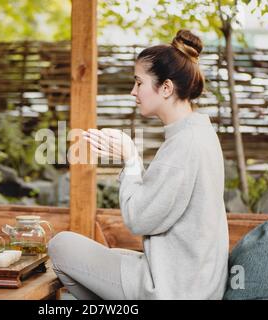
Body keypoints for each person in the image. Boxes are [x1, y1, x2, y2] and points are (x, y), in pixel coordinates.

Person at [48, 29, 229, 300]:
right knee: (102, 261)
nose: (133, 92)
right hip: (189, 279)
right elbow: (160, 202)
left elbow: (140, 219)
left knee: (60, 245)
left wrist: (130, 158)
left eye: (139, 83)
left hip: (176, 288)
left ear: (166, 88)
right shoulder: (196, 133)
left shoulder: (185, 144)